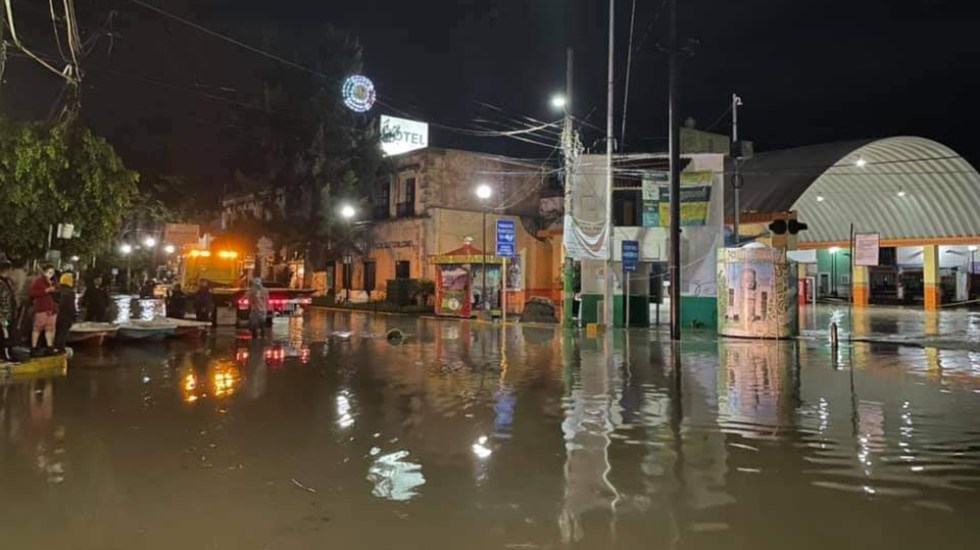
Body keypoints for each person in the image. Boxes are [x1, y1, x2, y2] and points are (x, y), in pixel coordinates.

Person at [29, 265, 58, 356]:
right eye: (49, 272)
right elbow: (32, 293)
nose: (50, 275)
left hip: (51, 309)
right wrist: (46, 290)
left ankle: (49, 347)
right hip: (42, 308)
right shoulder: (38, 281)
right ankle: (33, 347)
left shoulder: (52, 282)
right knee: (38, 327)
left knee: (50, 328)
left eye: (52, 273)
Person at [53, 273, 77, 352]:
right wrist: (74, 316)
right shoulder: (70, 292)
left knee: (56, 332)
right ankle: (60, 349)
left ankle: (54, 348)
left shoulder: (57, 290)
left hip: (55, 315)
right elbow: (71, 306)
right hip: (65, 316)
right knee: (63, 333)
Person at [0, 261, 17, 360]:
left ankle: (6, 354)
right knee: (4, 335)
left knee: (8, 335)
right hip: (3, 315)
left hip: (8, 314)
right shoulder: (1, 283)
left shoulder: (8, 282)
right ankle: (4, 355)